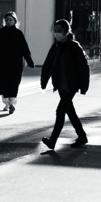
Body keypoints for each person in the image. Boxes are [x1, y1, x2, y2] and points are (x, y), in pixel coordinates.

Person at [40, 18, 89, 149]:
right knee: (70, 112)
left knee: (60, 111)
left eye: (59, 31)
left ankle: (53, 140)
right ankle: (82, 136)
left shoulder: (74, 46)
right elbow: (47, 65)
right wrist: (43, 82)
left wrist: (84, 86)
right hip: (60, 85)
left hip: (71, 85)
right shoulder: (55, 46)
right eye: (55, 31)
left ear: (66, 31)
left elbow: (84, 67)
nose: (56, 33)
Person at [0, 11, 34, 113]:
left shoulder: (18, 34)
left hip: (15, 64)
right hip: (2, 64)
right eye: (6, 20)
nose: (8, 22)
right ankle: (9, 104)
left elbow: (24, 49)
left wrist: (30, 61)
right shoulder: (0, 33)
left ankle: (9, 104)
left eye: (10, 20)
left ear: (15, 21)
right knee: (5, 83)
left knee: (13, 84)